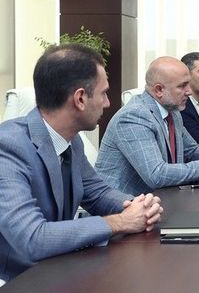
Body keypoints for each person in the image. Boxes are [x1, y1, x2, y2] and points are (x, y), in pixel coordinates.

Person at [0, 45, 163, 282]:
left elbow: (96, 192)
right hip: (20, 279)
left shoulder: (71, 140)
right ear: (80, 99)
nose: (107, 103)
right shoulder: (7, 147)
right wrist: (120, 221)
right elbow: (33, 238)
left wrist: (137, 206)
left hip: (61, 267)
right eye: (103, 93)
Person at [95, 56, 199, 195]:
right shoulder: (134, 116)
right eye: (182, 86)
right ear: (159, 90)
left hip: (161, 200)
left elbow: (191, 150)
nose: (189, 92)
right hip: (122, 208)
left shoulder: (172, 111)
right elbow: (157, 174)